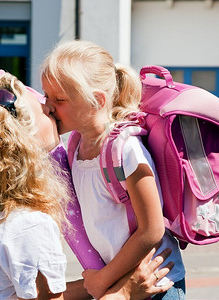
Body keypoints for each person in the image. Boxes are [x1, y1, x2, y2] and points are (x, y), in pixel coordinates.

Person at [0, 69, 174, 300]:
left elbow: (34, 295)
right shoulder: (26, 225)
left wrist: (99, 284)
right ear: (24, 141)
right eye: (46, 109)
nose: (51, 108)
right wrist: (124, 292)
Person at [41, 40, 186, 299]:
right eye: (46, 96)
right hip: (118, 284)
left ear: (96, 101)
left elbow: (152, 229)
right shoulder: (75, 146)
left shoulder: (125, 149)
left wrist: (103, 280)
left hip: (155, 284)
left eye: (59, 99)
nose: (48, 106)